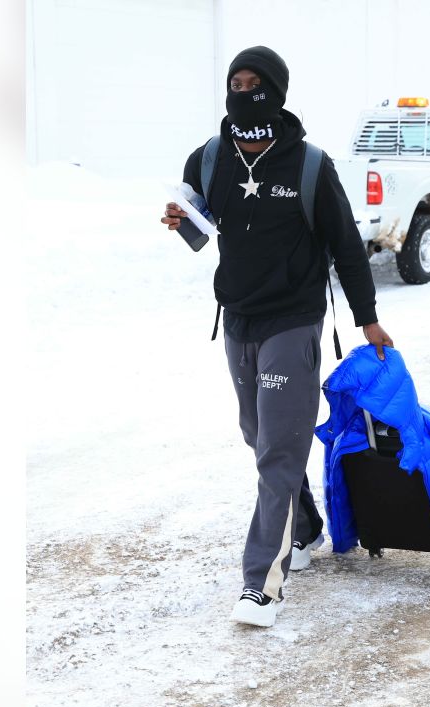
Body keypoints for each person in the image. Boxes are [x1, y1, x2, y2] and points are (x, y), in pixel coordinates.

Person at [161, 46, 393, 628]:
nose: (243, 91)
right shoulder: (209, 158)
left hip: (293, 319)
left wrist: (367, 317)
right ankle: (308, 526)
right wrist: (179, 222)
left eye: (254, 83)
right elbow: (200, 230)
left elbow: (345, 246)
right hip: (237, 317)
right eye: (235, 82)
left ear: (276, 92)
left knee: (279, 450)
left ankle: (261, 581)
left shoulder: (310, 166)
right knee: (257, 433)